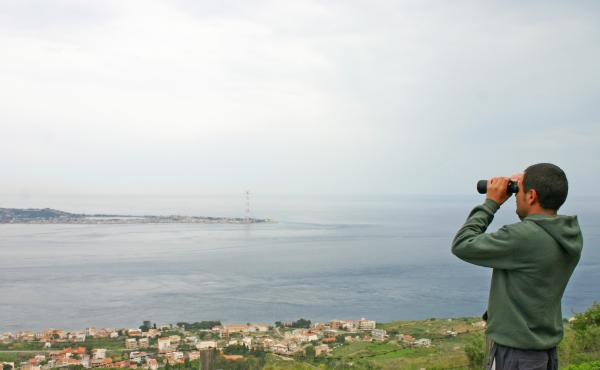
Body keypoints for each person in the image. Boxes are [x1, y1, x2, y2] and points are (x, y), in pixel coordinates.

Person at [452, 163, 583, 370]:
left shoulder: (524, 237)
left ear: (531, 196)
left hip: (515, 355)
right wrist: (526, 182)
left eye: (517, 192)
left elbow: (462, 244)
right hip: (544, 351)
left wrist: (491, 203)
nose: (515, 197)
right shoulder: (568, 234)